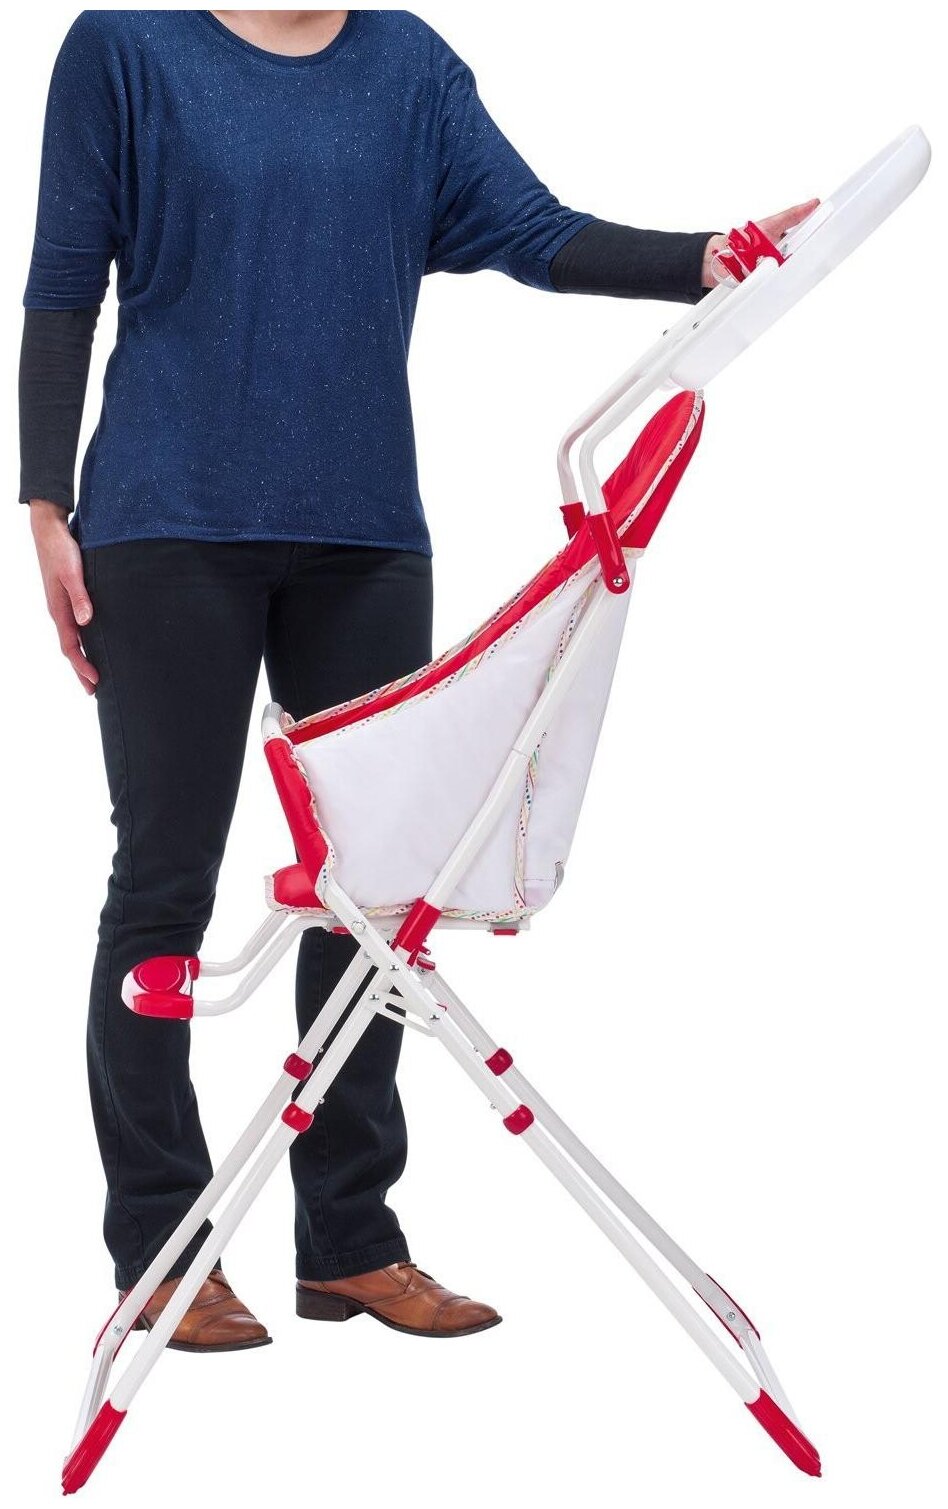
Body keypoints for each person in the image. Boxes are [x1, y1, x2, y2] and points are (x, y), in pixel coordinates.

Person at [20, 9, 817, 1349]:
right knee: (163, 876)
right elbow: (60, 286)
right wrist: (47, 504)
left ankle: (349, 1241)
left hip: (364, 539)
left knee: (378, 892)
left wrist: (704, 258)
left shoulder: (409, 68)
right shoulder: (125, 50)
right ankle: (160, 1251)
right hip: (166, 528)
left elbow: (536, 231)